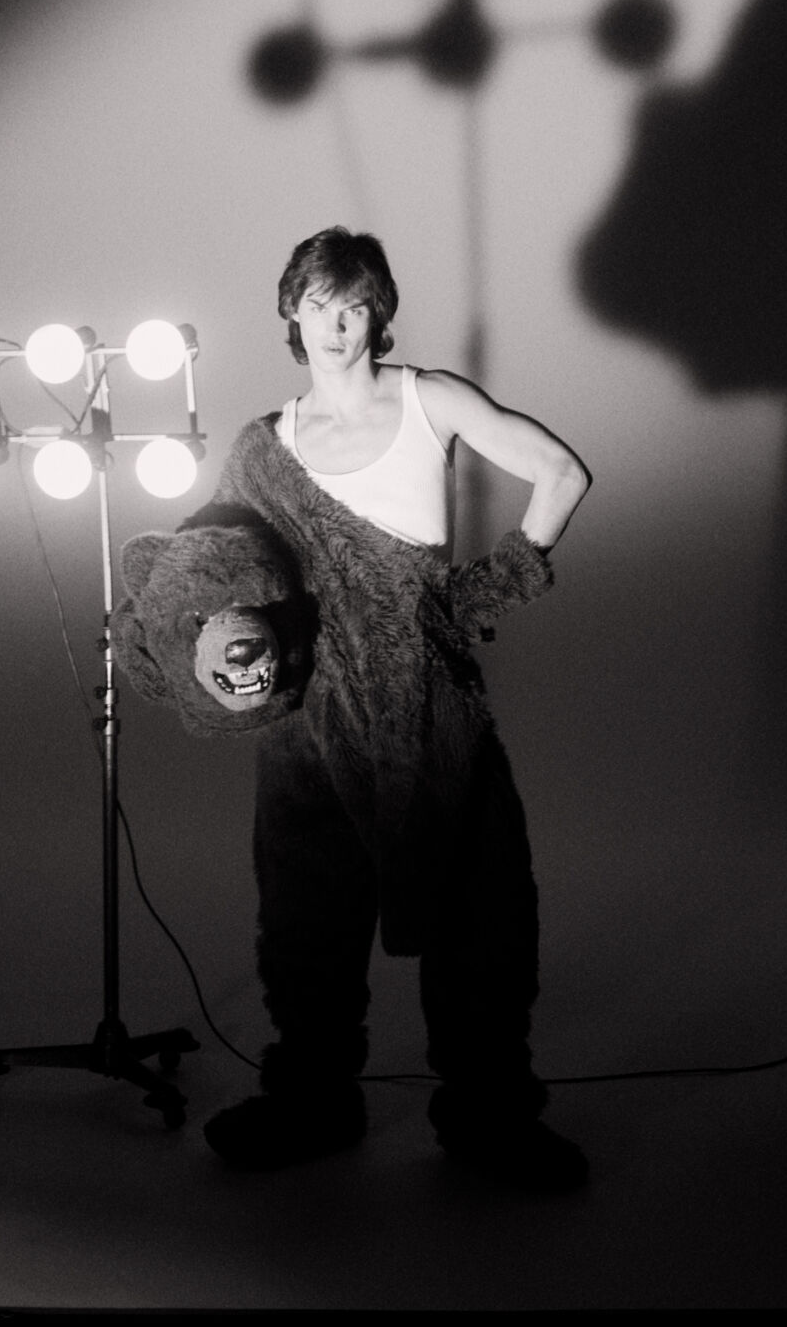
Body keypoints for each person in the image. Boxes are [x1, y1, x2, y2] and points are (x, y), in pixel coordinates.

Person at [195, 226, 591, 1187]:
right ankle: (312, 1100)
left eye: (356, 305)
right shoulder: (263, 447)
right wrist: (213, 643)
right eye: (319, 305)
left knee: (482, 914)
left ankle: (491, 1116)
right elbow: (221, 567)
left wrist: (483, 592)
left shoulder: (429, 399)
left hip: (429, 704)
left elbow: (562, 472)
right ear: (292, 314)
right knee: (305, 921)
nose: (338, 325)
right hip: (309, 719)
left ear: (380, 313)